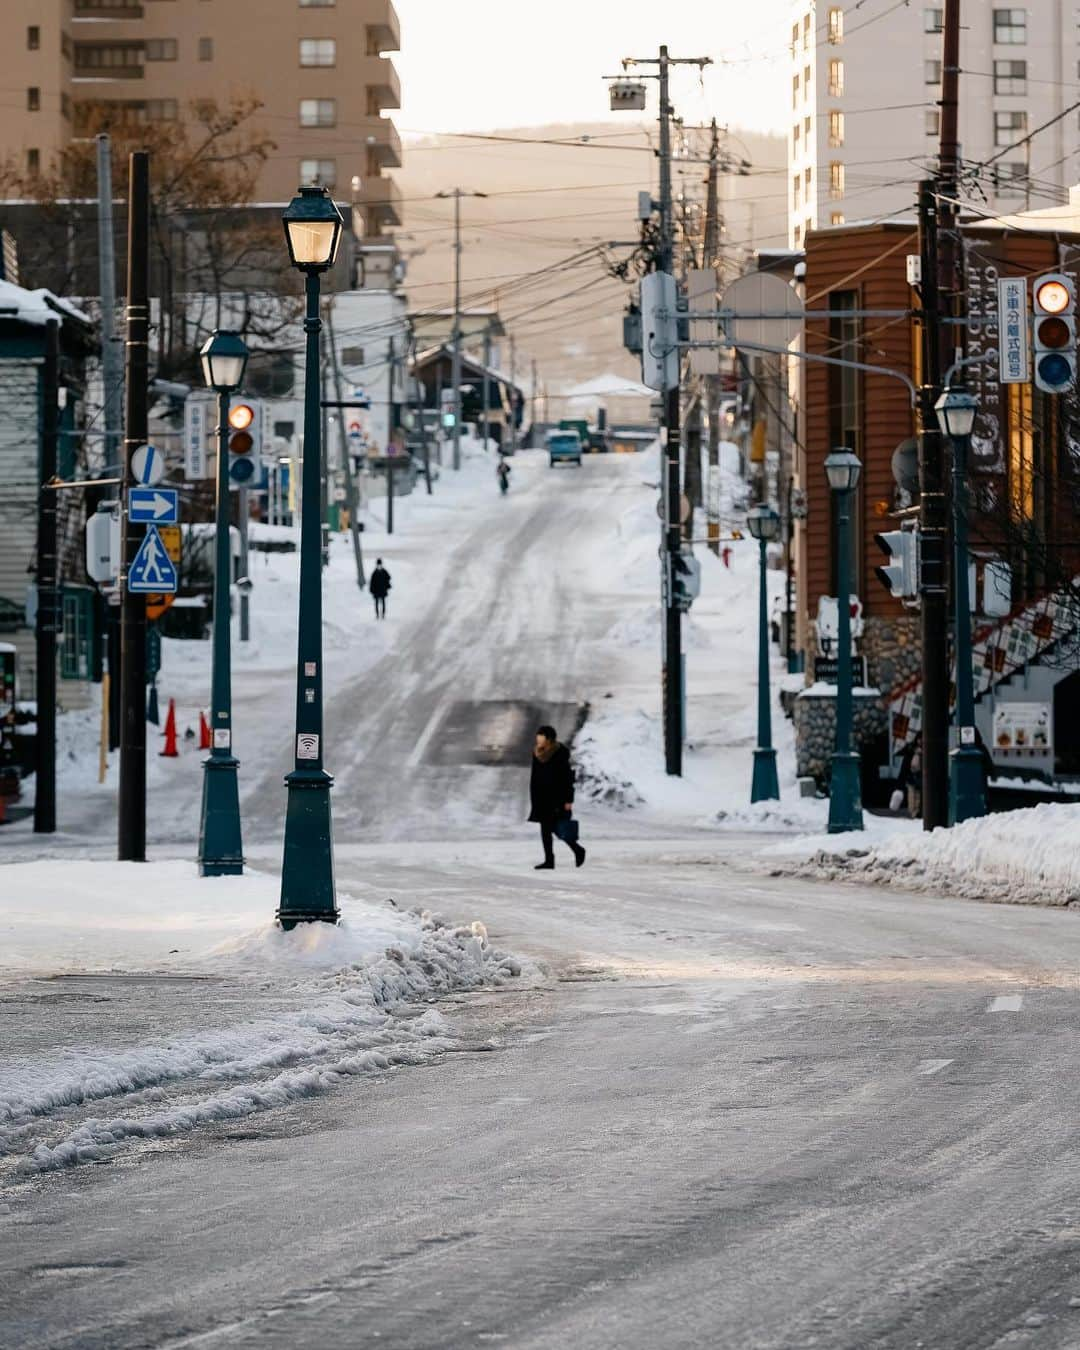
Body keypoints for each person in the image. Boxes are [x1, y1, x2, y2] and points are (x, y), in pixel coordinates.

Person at [529, 724, 586, 870]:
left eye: (540, 736)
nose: (537, 738)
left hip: (556, 797)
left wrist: (568, 799)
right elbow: (535, 777)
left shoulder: (559, 753)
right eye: (537, 735)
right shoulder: (537, 753)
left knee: (555, 827)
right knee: (546, 828)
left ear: (548, 738)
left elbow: (567, 778)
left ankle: (576, 849)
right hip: (542, 797)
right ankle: (550, 860)